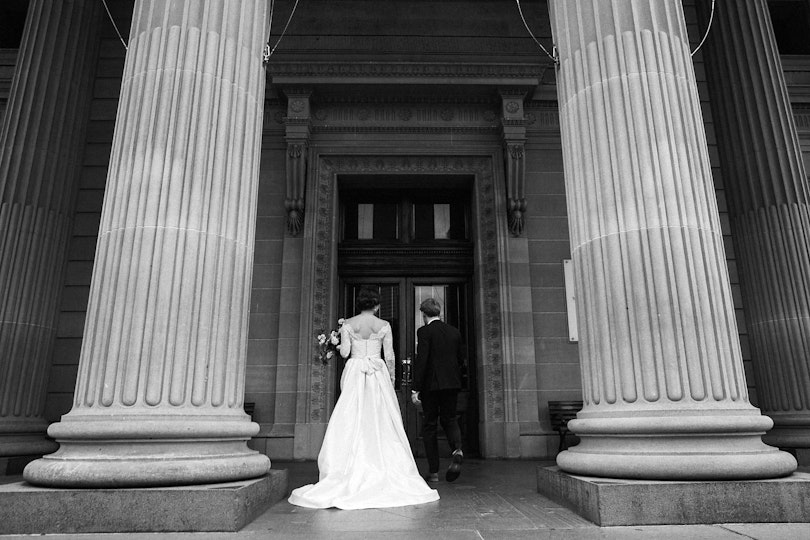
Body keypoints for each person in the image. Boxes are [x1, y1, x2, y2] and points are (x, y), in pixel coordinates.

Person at [289, 286, 439, 509]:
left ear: (360, 305)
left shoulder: (348, 325)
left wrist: (335, 343)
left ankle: (345, 466)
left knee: (351, 415)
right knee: (380, 417)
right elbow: (389, 356)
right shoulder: (384, 326)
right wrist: (390, 380)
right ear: (377, 306)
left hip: (355, 371)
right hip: (377, 371)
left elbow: (345, 353)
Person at [410, 297, 466, 483]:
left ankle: (433, 471)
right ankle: (457, 449)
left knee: (430, 425)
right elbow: (460, 359)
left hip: (431, 386)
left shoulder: (424, 332)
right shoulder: (454, 332)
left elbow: (423, 360)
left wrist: (416, 388)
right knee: (450, 419)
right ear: (439, 312)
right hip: (452, 383)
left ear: (424, 314)